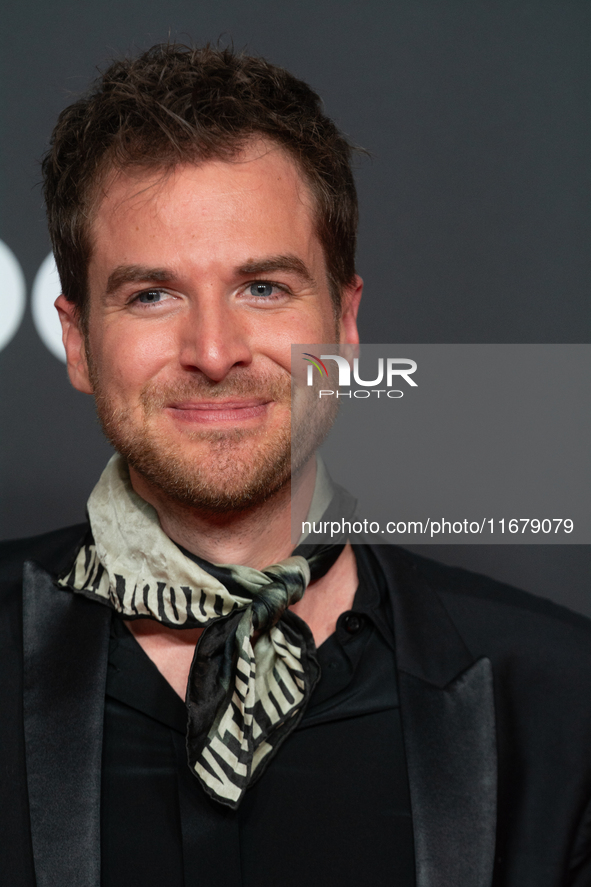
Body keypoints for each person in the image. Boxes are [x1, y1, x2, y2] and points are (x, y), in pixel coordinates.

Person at [1, 43, 591, 887]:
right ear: (77, 341)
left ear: (345, 325)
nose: (213, 350)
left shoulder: (558, 703)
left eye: (264, 288)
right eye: (151, 294)